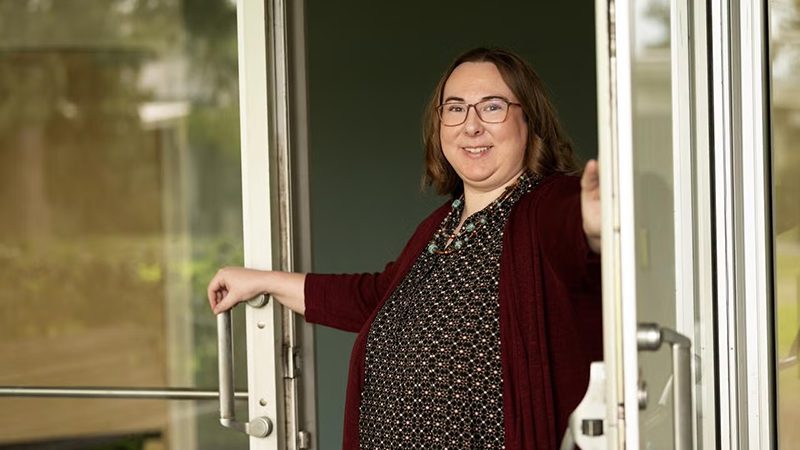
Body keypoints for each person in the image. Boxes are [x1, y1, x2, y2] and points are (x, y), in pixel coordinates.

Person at [208, 47, 602, 450]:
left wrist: (592, 221)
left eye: (493, 107)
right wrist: (262, 282)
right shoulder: (440, 226)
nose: (471, 126)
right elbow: (378, 297)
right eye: (455, 108)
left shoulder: (546, 206)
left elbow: (573, 232)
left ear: (529, 120)